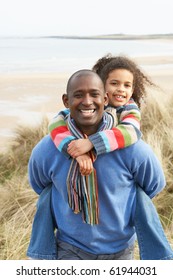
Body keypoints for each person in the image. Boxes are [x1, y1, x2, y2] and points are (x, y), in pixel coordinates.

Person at [27, 69, 172, 260]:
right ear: (66, 101)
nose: (87, 101)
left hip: (120, 251)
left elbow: (154, 185)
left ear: (104, 99)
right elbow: (40, 185)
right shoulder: (48, 149)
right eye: (78, 95)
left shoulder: (132, 148)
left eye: (94, 94)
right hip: (69, 249)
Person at [48, 55, 149, 175]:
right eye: (114, 83)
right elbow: (55, 123)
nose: (121, 89)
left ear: (132, 90)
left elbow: (131, 131)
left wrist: (91, 142)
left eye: (127, 85)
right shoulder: (92, 104)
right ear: (102, 86)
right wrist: (75, 151)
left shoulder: (129, 109)